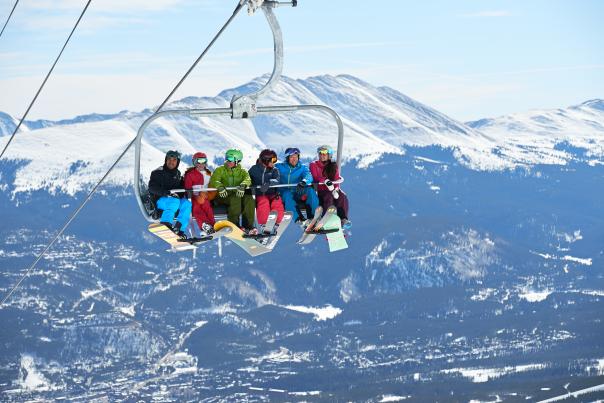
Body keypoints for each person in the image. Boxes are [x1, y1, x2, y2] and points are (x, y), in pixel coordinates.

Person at [208, 149, 257, 234]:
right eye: (227, 158)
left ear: (237, 161)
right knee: (236, 198)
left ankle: (249, 226)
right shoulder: (220, 170)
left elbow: (247, 179)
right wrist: (219, 187)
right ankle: (235, 224)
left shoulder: (242, 171)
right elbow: (214, 180)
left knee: (249, 198)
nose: (228, 161)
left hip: (237, 195)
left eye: (230, 159)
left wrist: (243, 185)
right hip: (222, 196)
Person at [148, 150, 192, 238]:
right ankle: (166, 224)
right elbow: (152, 188)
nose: (171, 162)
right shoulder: (158, 172)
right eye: (169, 159)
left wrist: (187, 187)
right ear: (166, 160)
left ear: (177, 162)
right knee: (174, 201)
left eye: (174, 160)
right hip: (160, 201)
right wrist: (166, 193)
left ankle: (179, 230)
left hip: (173, 200)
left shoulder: (177, 174)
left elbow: (180, 190)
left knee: (187, 204)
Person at [309, 145, 351, 228]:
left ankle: (343, 218)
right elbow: (315, 177)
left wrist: (335, 190)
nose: (322, 155)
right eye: (320, 153)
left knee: (342, 196)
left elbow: (336, 179)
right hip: (319, 190)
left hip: (331, 190)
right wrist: (325, 180)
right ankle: (325, 218)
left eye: (325, 153)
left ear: (329, 155)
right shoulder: (314, 165)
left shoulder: (333, 166)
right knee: (328, 197)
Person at [275, 147, 320, 223]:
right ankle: (299, 219)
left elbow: (308, 176)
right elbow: (269, 171)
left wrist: (304, 182)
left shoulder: (302, 168)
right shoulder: (279, 167)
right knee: (287, 194)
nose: (294, 159)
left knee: (310, 190)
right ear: (287, 158)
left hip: (298, 190)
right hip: (284, 192)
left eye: (296, 157)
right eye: (292, 157)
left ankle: (314, 217)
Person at [248, 149, 285, 228]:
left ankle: (277, 223)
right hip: (260, 194)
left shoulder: (274, 170)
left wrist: (269, 183)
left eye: (275, 160)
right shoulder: (254, 169)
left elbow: (277, 180)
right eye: (273, 160)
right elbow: (248, 179)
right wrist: (250, 185)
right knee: (264, 202)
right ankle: (263, 224)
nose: (274, 162)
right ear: (265, 160)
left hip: (272, 193)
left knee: (277, 202)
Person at [184, 152, 215, 235]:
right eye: (199, 161)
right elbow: (188, 188)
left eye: (203, 161)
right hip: (193, 197)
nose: (201, 164)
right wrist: (193, 196)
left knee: (207, 207)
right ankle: (204, 226)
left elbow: (212, 187)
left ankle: (212, 225)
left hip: (204, 196)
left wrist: (207, 195)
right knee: (196, 208)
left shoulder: (209, 174)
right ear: (194, 162)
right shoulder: (190, 175)